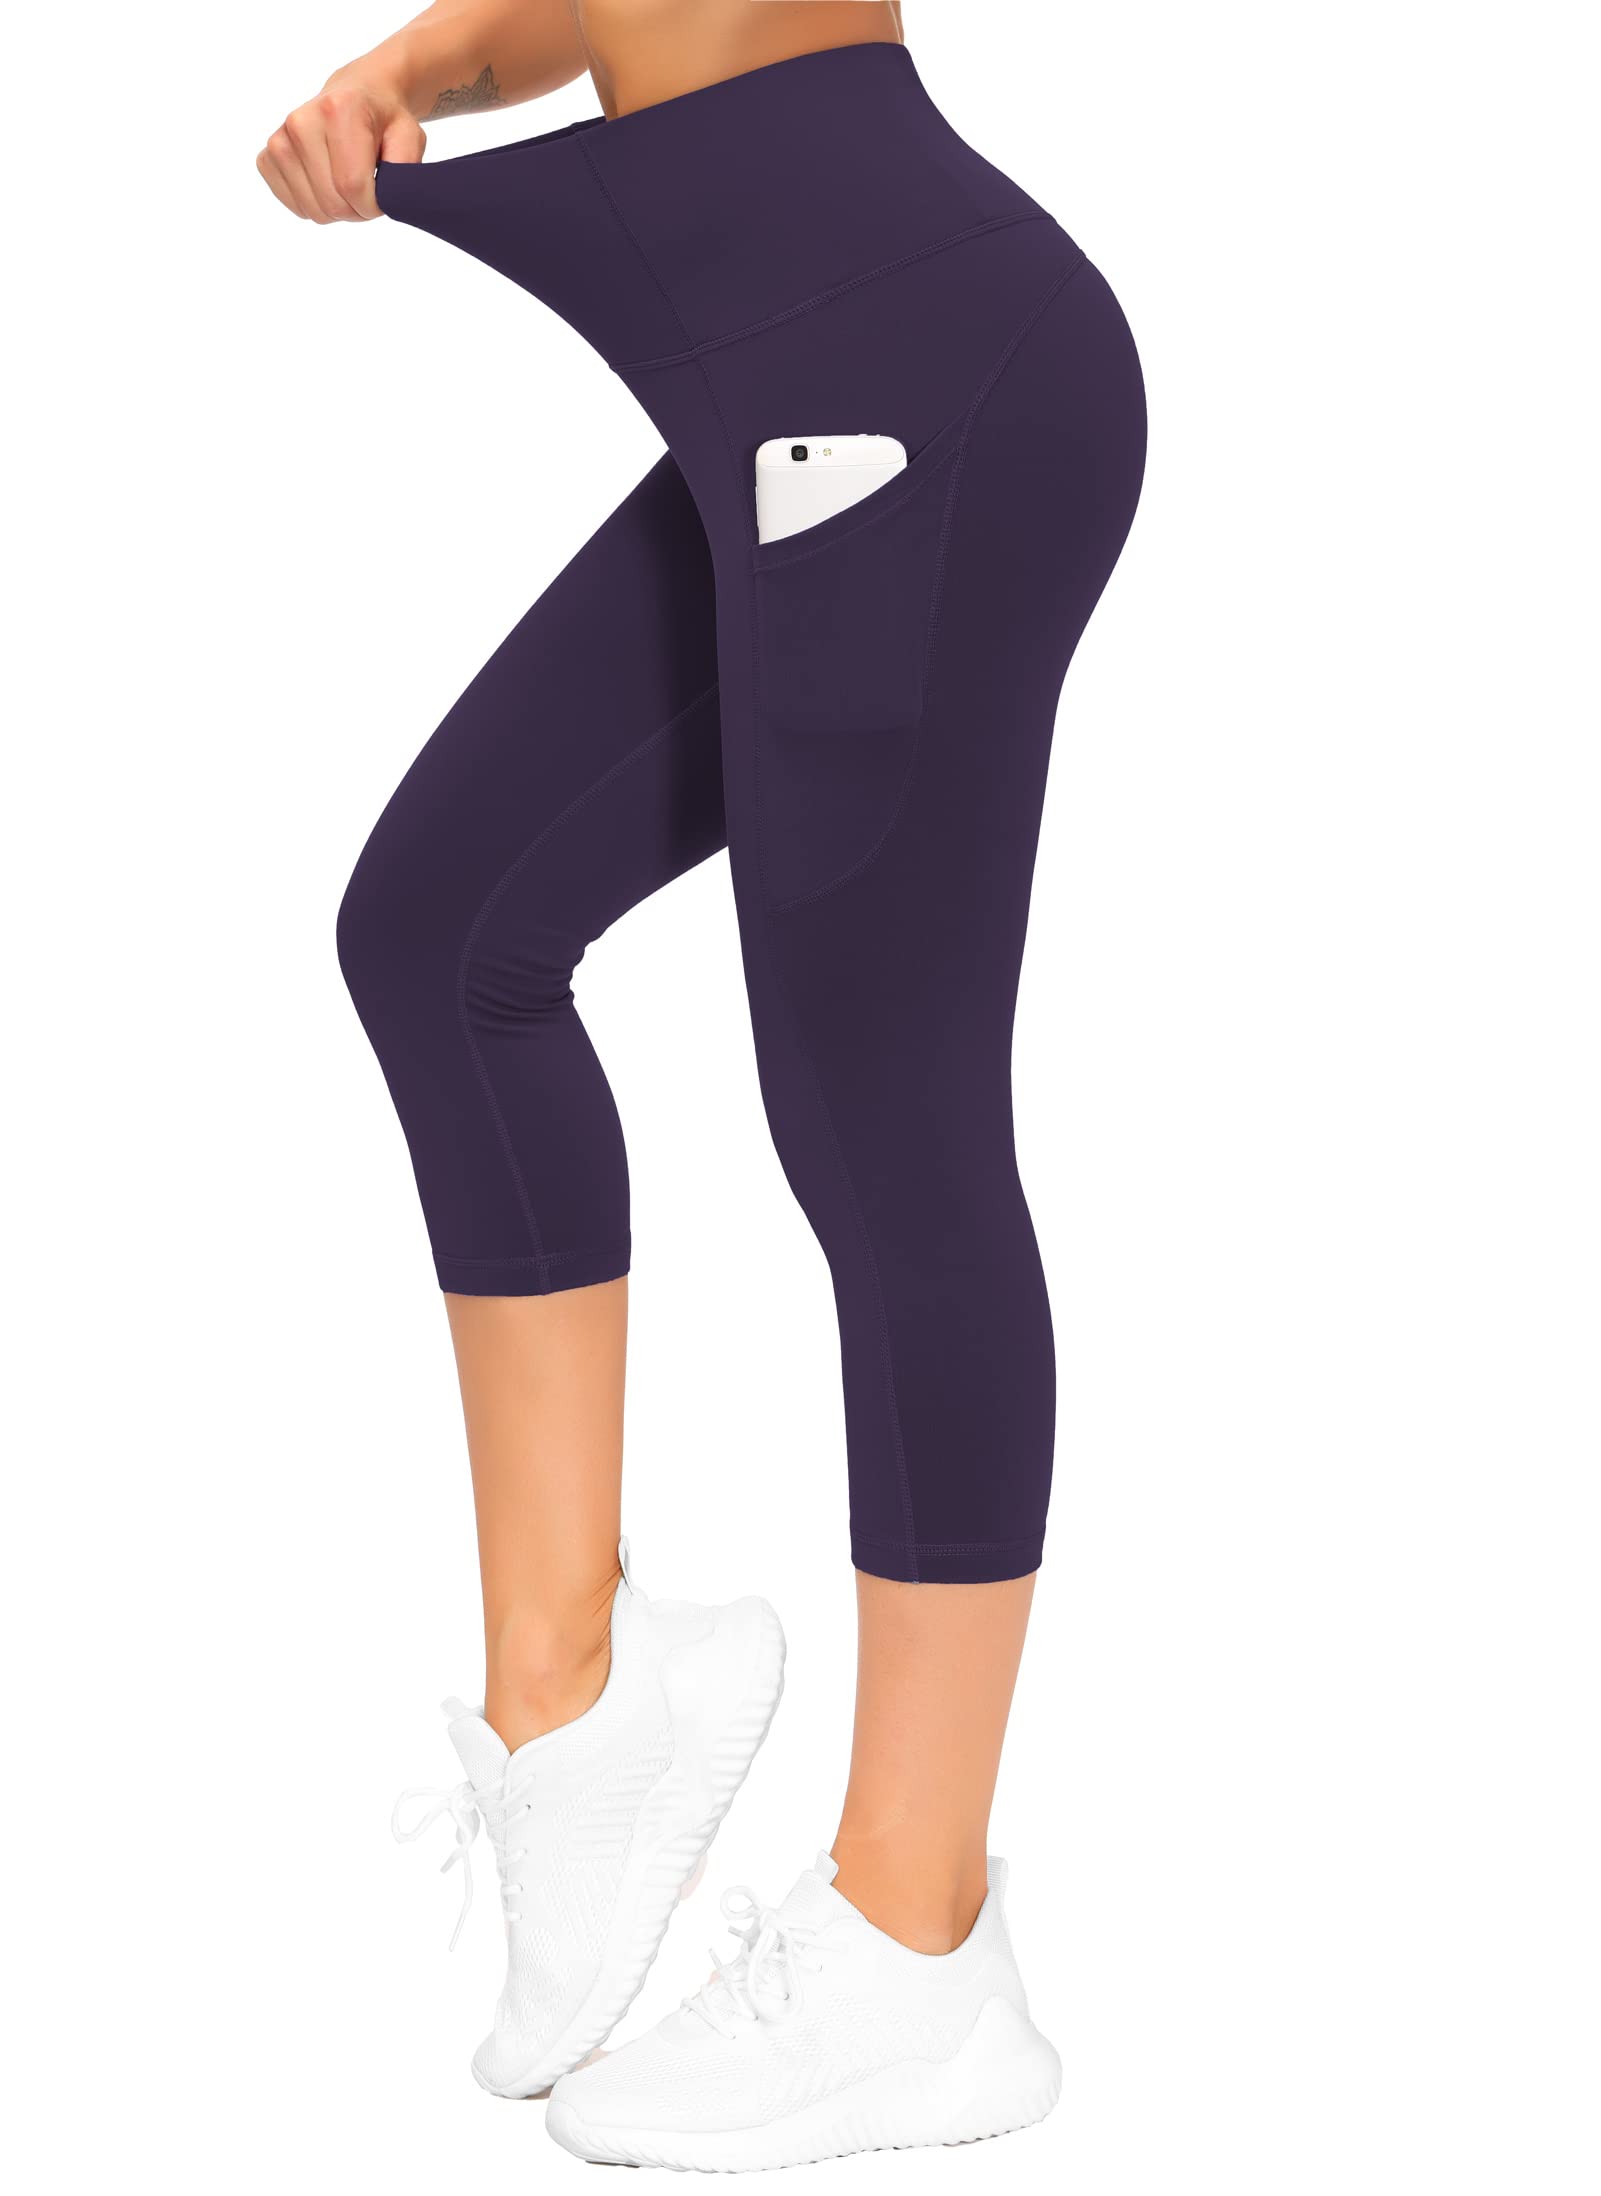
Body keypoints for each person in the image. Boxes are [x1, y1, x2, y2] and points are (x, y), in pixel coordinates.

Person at [258, 0, 1144, 2167]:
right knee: (441, 933)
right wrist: (421, 72)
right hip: (809, 356)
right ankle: (577, 1704)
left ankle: (919, 1947)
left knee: (884, 1119)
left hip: (902, 359)